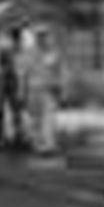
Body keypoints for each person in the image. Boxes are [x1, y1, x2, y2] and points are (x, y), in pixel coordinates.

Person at [18, 26, 63, 157]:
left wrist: (60, 89)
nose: (43, 39)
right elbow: (23, 74)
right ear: (36, 38)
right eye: (40, 36)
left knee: (48, 118)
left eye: (45, 36)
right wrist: (21, 92)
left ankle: (48, 145)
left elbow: (59, 73)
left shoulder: (54, 53)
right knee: (35, 118)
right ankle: (39, 144)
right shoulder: (29, 54)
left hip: (48, 90)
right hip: (33, 90)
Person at [0, 25, 26, 149]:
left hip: (14, 83)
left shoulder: (20, 51)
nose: (17, 40)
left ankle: (18, 135)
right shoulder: (6, 51)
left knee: (16, 111)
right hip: (8, 83)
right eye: (16, 37)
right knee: (7, 111)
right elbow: (0, 66)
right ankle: (7, 136)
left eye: (17, 37)